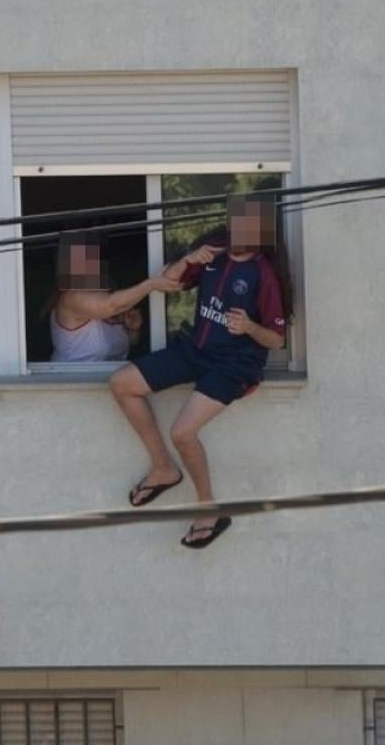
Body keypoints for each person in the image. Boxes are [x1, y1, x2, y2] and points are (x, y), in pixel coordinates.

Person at [109, 193, 292, 549]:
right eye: (238, 221)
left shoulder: (264, 273)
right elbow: (168, 281)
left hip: (234, 365)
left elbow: (275, 339)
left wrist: (251, 327)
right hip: (196, 349)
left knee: (183, 433)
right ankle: (164, 468)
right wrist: (186, 260)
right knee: (121, 384)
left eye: (251, 225)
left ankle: (209, 510)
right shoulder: (214, 252)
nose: (242, 229)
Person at [48, 233, 181, 362]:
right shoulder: (70, 298)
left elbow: (125, 344)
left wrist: (133, 330)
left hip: (107, 379)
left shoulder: (106, 291)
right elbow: (110, 305)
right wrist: (151, 284)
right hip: (71, 382)